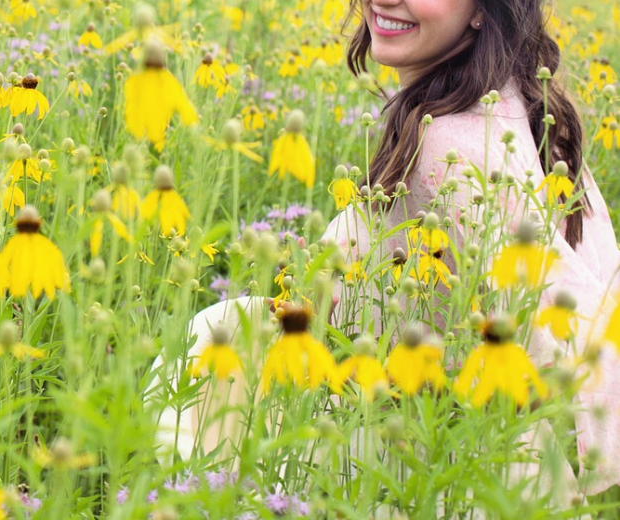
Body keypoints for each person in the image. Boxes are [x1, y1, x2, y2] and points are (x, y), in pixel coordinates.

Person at [147, 0, 620, 501]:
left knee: (213, 343)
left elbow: (567, 336)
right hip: (433, 441)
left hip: (429, 470)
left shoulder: (454, 147)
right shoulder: (509, 103)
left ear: (484, 10)